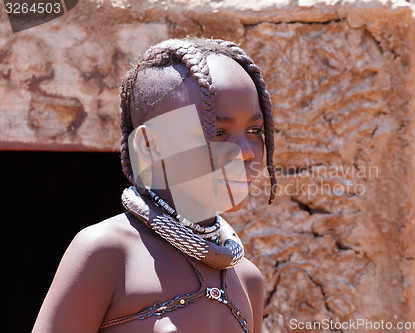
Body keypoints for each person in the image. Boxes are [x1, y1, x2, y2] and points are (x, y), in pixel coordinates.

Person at [32, 37, 277, 333]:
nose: (247, 150)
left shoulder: (246, 278)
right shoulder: (108, 253)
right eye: (219, 131)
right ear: (150, 145)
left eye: (254, 130)